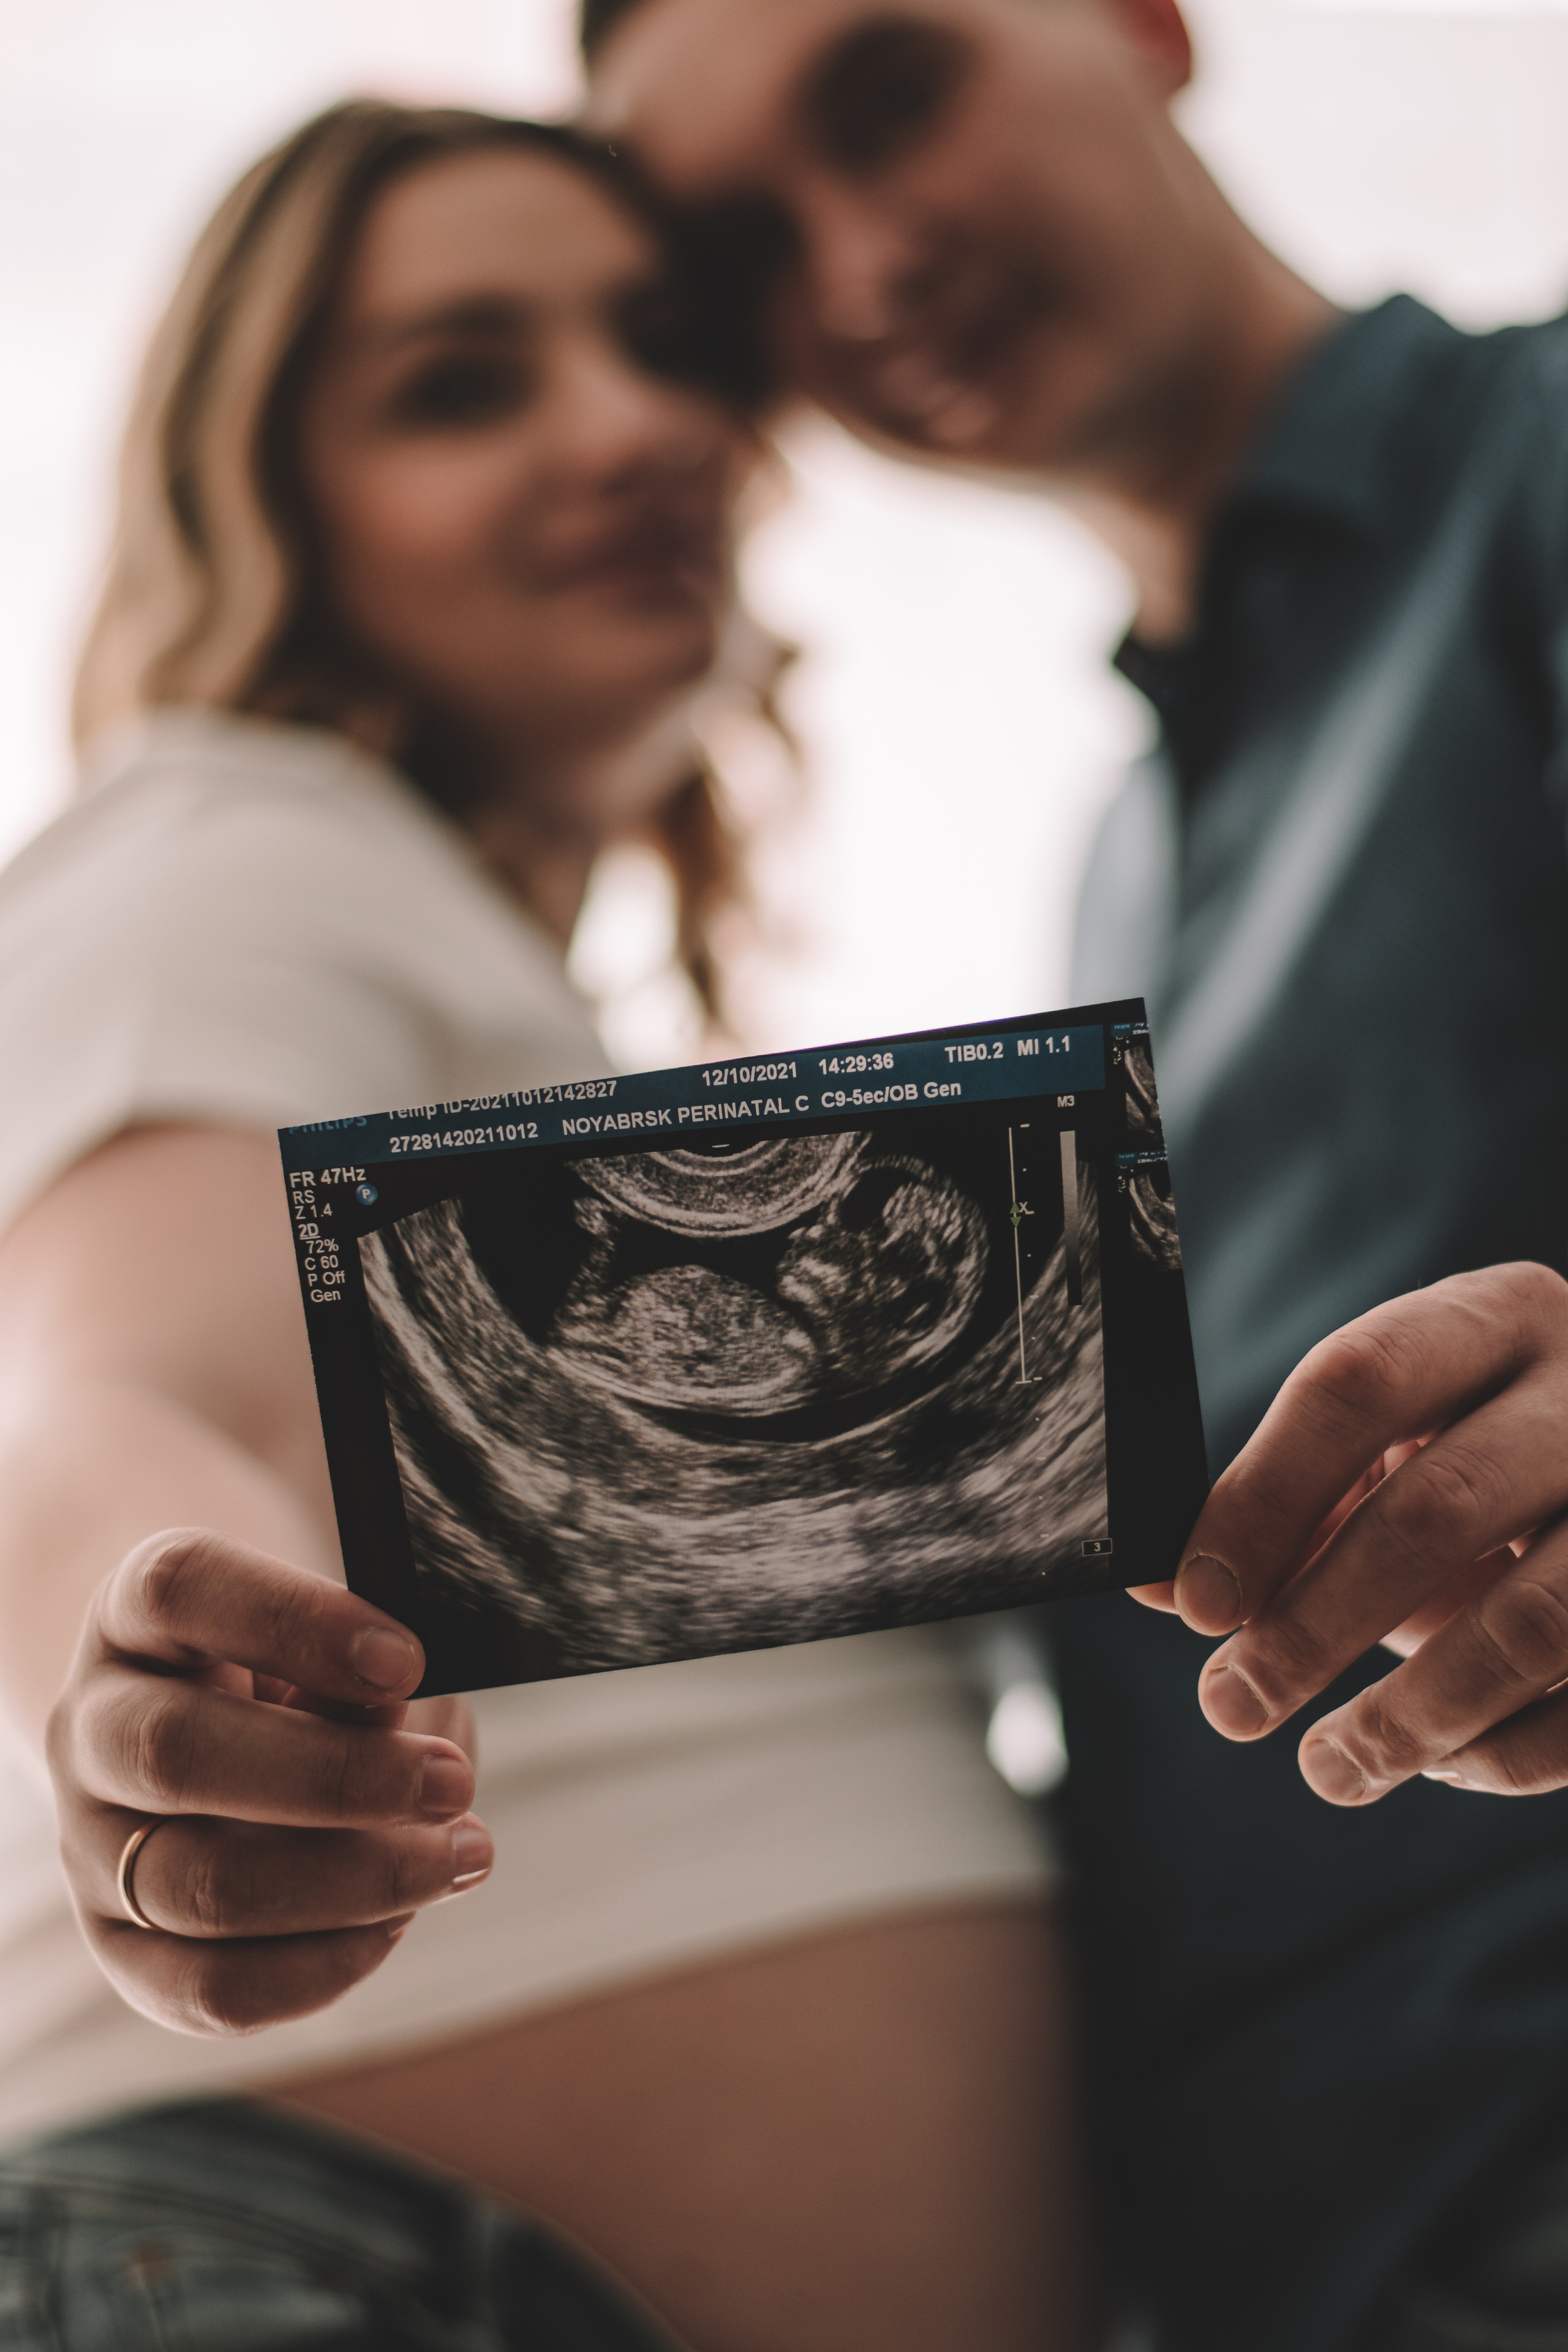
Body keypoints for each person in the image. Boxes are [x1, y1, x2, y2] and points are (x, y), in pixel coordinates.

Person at [0, 99, 1088, 2352]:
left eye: (665, 342)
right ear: (266, 492)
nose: (629, 429)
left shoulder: (482, 988)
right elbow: (128, 1385)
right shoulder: (241, 839)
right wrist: (159, 1679)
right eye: (460, 382)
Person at [581, 2, 1568, 2346]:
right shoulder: (1111, 884)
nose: (860, 264)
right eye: (742, 250)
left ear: (1146, 21)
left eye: (891, 89)